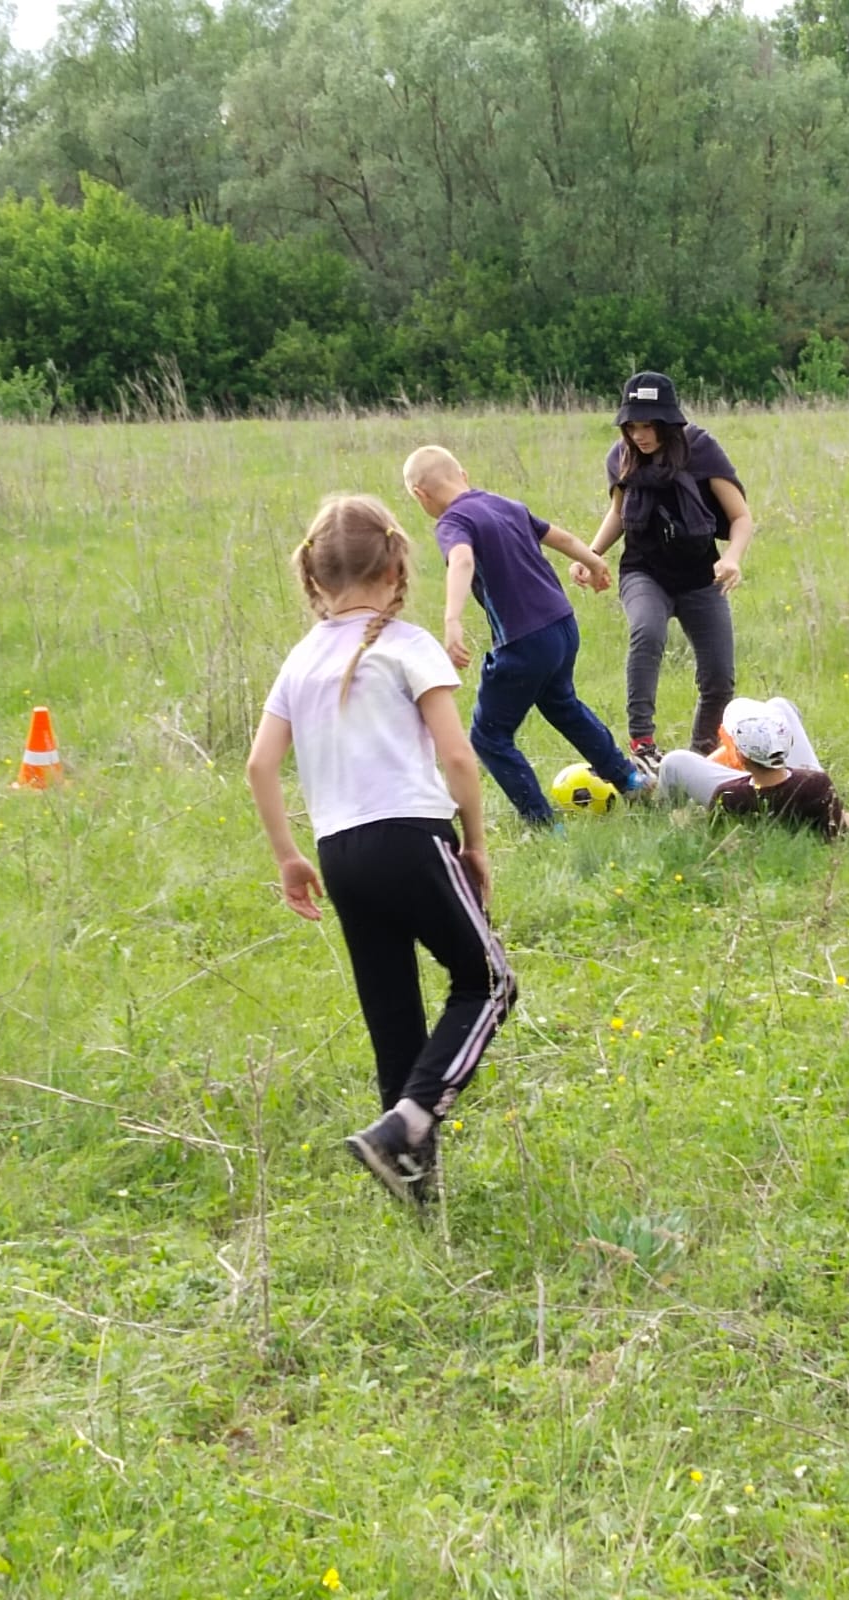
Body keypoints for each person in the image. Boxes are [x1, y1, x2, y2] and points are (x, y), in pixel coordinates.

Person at [246, 493, 517, 1206]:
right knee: (489, 982)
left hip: (339, 852)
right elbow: (458, 758)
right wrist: (478, 842)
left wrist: (288, 857)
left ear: (315, 575)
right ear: (398, 564)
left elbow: (259, 766)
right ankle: (411, 1122)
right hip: (412, 838)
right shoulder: (407, 643)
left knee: (393, 1018)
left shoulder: (299, 659)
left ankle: (414, 1185)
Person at [403, 444, 653, 827]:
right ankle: (630, 779)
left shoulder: (452, 522)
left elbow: (463, 559)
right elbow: (563, 539)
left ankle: (543, 824)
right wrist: (594, 561)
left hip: (523, 642)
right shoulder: (505, 504)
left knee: (489, 736)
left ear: (421, 495)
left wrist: (452, 620)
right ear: (464, 475)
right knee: (562, 704)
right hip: (563, 626)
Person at [571, 371, 754, 776]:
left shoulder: (703, 451)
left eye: (648, 425)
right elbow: (619, 513)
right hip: (644, 571)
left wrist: (733, 558)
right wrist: (591, 554)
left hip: (701, 575)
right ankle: (643, 746)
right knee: (648, 631)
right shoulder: (621, 458)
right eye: (632, 425)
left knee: (719, 678)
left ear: (669, 421)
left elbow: (740, 516)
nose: (640, 435)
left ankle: (703, 760)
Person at [658, 696, 849, 840]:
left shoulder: (727, 794)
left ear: (740, 756)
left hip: (751, 790)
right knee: (779, 705)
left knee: (673, 762)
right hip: (795, 783)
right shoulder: (817, 784)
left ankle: (672, 812)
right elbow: (843, 827)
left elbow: (719, 840)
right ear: (788, 743)